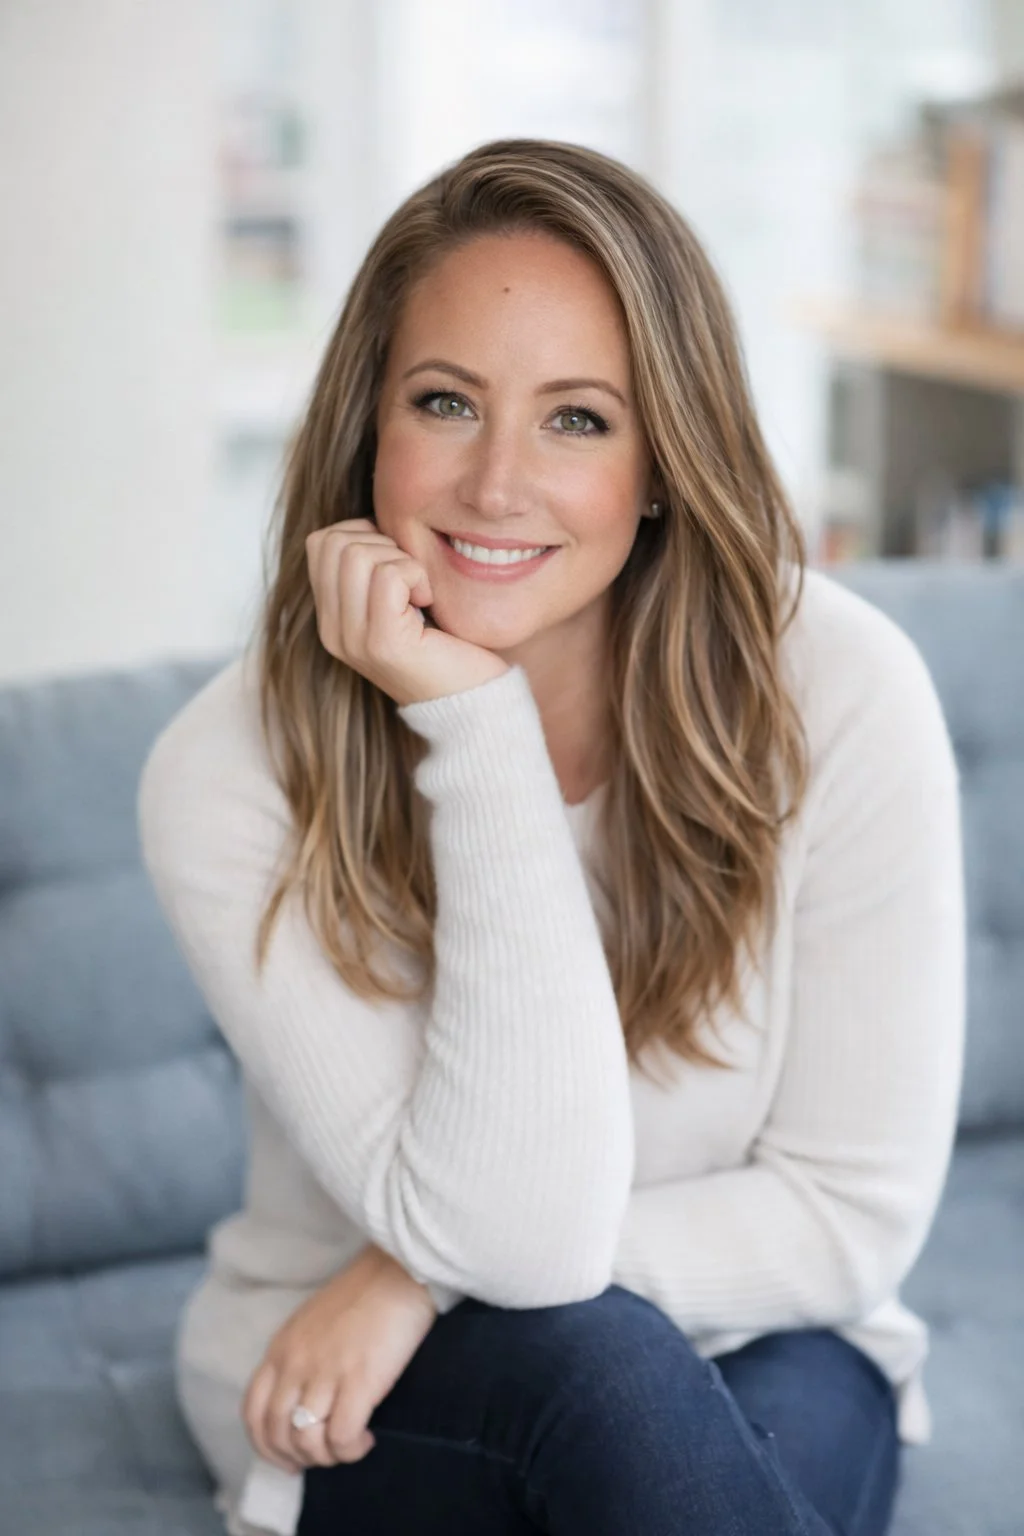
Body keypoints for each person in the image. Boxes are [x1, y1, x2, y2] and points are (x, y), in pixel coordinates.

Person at [137, 138, 966, 1536]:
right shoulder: (232, 773)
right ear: (369, 431)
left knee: (680, 1413)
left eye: (577, 419)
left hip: (758, 1334)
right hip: (358, 1397)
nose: (496, 485)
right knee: (598, 1368)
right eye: (446, 402)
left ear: (660, 463)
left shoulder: (842, 690)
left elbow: (847, 1216)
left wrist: (407, 1274)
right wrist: (473, 725)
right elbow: (528, 1243)